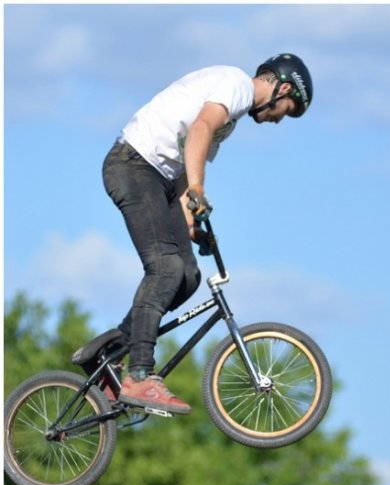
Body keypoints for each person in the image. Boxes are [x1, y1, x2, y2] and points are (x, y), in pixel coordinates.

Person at [70, 54, 313, 415]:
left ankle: (109, 350)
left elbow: (186, 175)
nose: (279, 120)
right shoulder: (236, 85)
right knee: (166, 268)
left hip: (160, 179)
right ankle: (139, 374)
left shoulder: (229, 120)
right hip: (134, 165)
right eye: (288, 110)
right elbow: (198, 131)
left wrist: (193, 226)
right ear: (283, 87)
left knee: (187, 276)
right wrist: (198, 187)